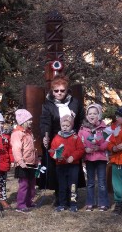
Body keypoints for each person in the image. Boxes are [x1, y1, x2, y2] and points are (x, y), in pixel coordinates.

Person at [40, 75, 85, 204]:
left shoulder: (75, 102)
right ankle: (60, 197)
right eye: (56, 90)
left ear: (66, 90)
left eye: (62, 90)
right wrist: (45, 137)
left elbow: (81, 119)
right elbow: (45, 122)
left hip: (72, 140)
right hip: (56, 140)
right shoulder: (47, 105)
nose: (59, 93)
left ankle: (73, 197)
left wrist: (80, 134)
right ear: (52, 91)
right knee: (58, 171)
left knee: (73, 169)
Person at [49, 115, 85, 212]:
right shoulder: (56, 138)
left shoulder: (75, 137)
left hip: (73, 166)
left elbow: (81, 150)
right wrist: (57, 156)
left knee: (73, 186)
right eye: (63, 125)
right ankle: (62, 204)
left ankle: (73, 204)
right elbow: (52, 150)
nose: (65, 127)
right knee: (62, 185)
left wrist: (73, 157)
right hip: (60, 166)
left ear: (71, 126)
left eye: (67, 125)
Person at [78, 103, 110, 211]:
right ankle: (90, 203)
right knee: (90, 182)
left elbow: (108, 142)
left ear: (99, 115)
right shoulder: (83, 129)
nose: (92, 115)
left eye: (95, 113)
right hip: (89, 158)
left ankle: (103, 203)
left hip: (101, 158)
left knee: (102, 182)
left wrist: (100, 147)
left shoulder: (104, 128)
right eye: (90, 113)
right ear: (87, 115)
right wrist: (84, 149)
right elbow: (79, 142)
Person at [10, 109, 37, 212]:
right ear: (23, 121)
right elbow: (16, 149)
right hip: (23, 164)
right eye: (29, 119)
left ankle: (29, 201)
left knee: (32, 184)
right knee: (24, 185)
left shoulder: (29, 133)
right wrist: (20, 161)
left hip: (31, 163)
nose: (31, 121)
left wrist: (36, 159)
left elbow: (32, 148)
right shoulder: (17, 134)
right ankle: (21, 204)